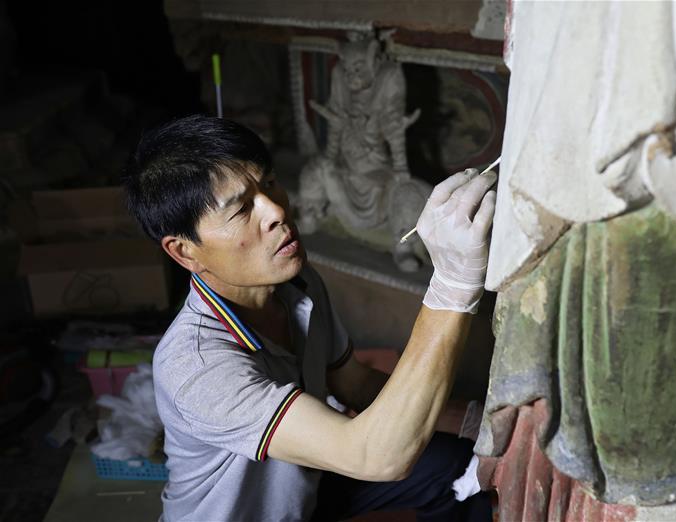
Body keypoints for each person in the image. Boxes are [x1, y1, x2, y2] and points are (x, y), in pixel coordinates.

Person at [122, 115, 497, 521]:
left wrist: (472, 420)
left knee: (455, 465)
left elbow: (354, 384)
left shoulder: (296, 282)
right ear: (184, 251)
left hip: (307, 488)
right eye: (242, 209)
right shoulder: (196, 366)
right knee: (392, 450)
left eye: (269, 184)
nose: (277, 210)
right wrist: (452, 286)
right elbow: (376, 457)